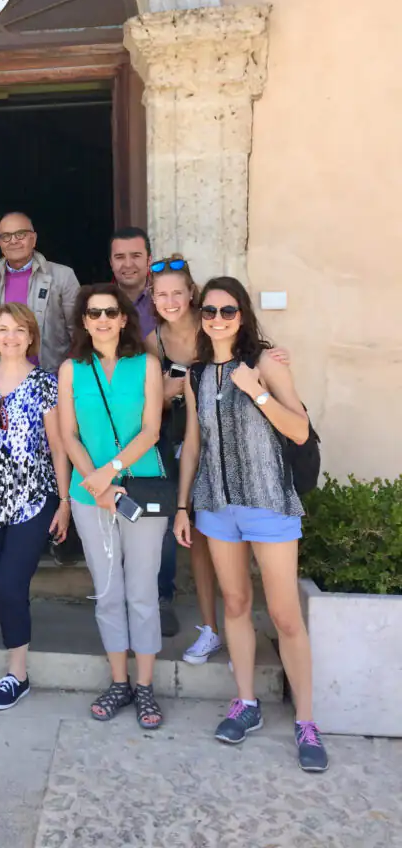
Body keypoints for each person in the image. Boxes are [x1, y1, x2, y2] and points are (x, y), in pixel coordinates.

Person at [174, 277, 329, 772]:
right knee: (236, 604)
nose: (218, 319)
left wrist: (258, 393)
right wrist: (183, 506)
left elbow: (301, 429)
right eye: (210, 312)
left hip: (269, 503)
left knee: (285, 616)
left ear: (242, 316)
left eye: (228, 310)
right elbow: (194, 444)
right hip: (217, 505)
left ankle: (306, 721)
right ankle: (247, 702)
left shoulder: (263, 363)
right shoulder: (197, 373)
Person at [146, 255, 292, 665]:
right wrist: (175, 388)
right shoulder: (151, 341)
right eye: (162, 294)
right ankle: (211, 629)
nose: (171, 300)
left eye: (178, 292)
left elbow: (250, 358)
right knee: (197, 541)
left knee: (228, 545)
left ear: (190, 293)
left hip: (232, 453)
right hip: (179, 447)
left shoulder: (215, 325)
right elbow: (151, 399)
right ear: (152, 299)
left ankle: (237, 628)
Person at [58, 283, 168, 729]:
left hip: (140, 488)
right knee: (108, 592)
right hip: (90, 497)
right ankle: (119, 682)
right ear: (84, 321)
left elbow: (151, 431)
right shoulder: (71, 369)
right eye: (93, 313)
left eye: (110, 312)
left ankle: (145, 687)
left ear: (124, 318)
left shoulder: (148, 365)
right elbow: (68, 435)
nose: (102, 319)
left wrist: (112, 471)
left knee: (142, 590)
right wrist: (95, 482)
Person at [0, 303, 71, 710]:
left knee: (9, 585)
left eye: (19, 330)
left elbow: (58, 447)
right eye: (3, 329)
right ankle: (11, 632)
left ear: (31, 336)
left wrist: (64, 502)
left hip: (32, 498)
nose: (10, 337)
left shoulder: (45, 384)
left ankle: (16, 673)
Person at [109, 227, 176, 637]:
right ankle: (120, 599)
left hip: (159, 425)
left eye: (136, 256)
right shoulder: (101, 302)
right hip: (110, 426)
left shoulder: (167, 302)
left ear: (149, 259)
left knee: (157, 512)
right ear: (110, 263)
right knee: (115, 511)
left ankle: (160, 597)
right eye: (120, 257)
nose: (128, 264)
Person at [0, 212, 79, 374]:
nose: (14, 241)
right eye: (6, 236)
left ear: (33, 239)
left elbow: (78, 334)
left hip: (53, 379)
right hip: (3, 382)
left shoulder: (62, 277)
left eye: (20, 234)